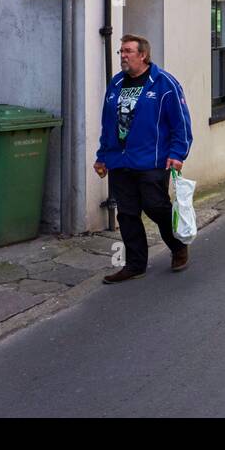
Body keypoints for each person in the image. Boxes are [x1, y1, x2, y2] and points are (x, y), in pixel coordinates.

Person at [94, 34, 193, 283]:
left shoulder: (164, 83)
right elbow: (108, 124)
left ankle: (178, 245)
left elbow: (180, 123)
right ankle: (135, 265)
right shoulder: (116, 83)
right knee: (126, 214)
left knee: (155, 206)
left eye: (127, 51)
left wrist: (177, 154)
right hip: (120, 161)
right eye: (121, 52)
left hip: (152, 160)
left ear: (143, 55)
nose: (123, 56)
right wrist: (102, 156)